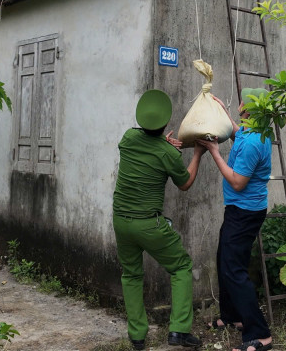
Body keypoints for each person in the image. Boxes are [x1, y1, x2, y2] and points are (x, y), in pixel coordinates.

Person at [112, 89, 203, 350]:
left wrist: (163, 141)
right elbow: (185, 183)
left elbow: (147, 143)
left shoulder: (128, 138)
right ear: (165, 124)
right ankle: (179, 331)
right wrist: (196, 153)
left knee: (131, 275)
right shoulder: (169, 154)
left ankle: (138, 336)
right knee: (181, 267)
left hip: (121, 220)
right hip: (149, 224)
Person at [195, 88, 274, 351]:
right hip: (238, 210)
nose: (239, 104)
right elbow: (237, 132)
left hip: (245, 212)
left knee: (234, 269)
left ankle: (260, 334)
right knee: (225, 261)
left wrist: (214, 152)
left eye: (242, 103)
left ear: (249, 109)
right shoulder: (250, 132)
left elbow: (238, 182)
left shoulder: (254, 142)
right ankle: (233, 317)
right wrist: (223, 112)